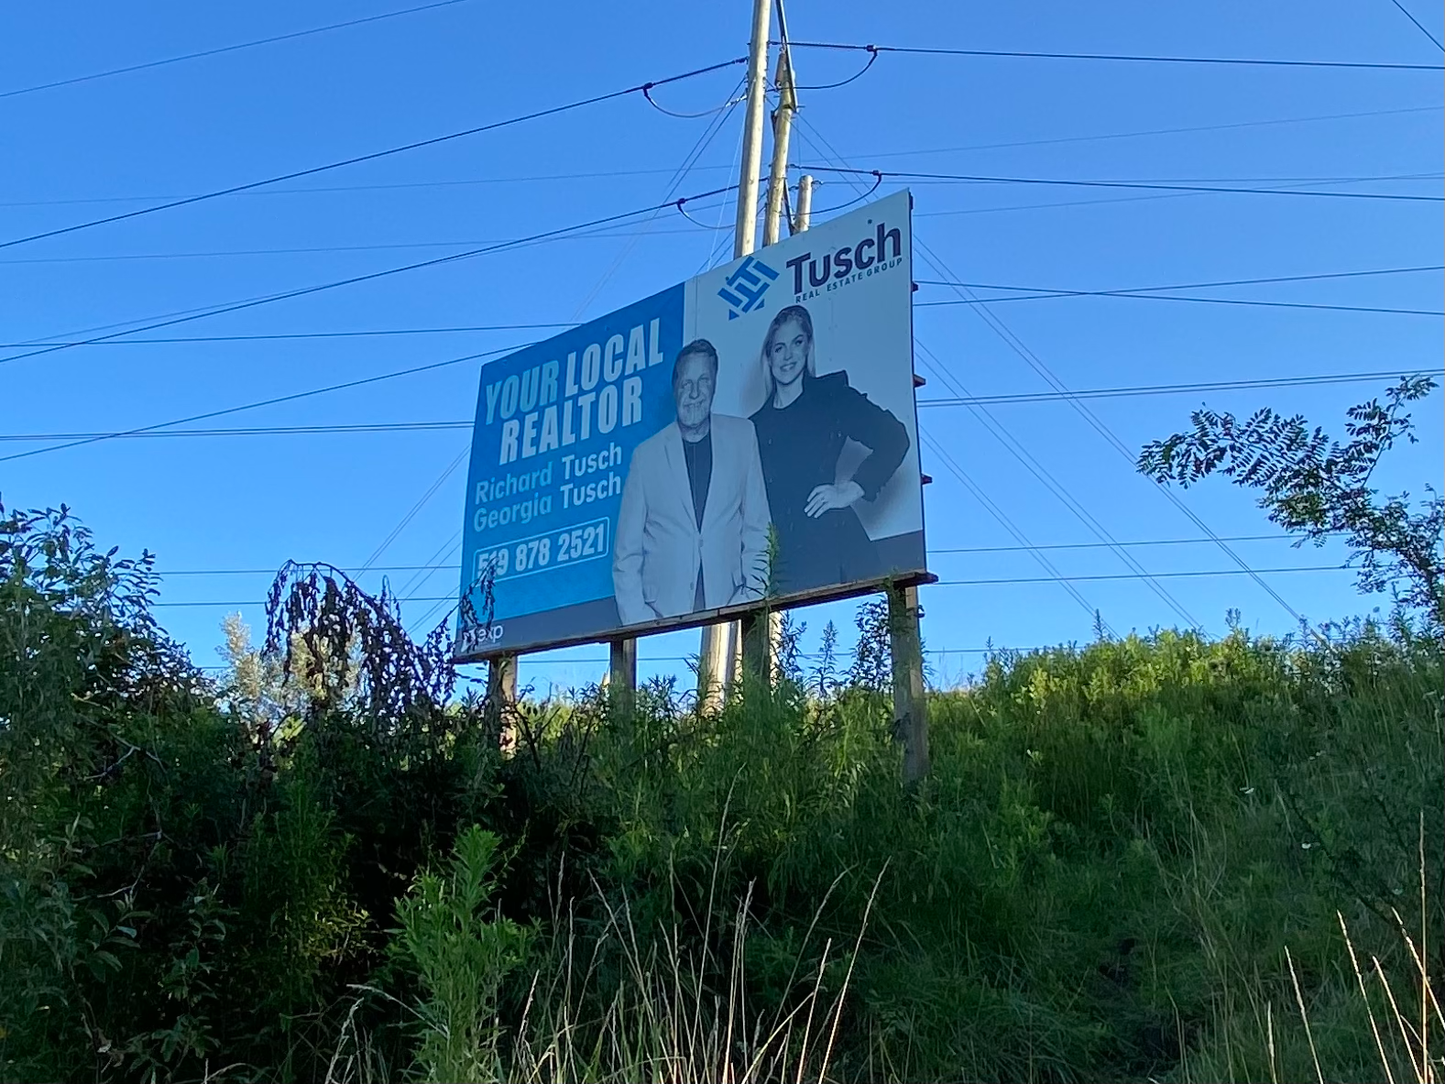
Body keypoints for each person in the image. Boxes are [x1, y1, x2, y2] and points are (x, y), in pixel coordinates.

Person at [749, 303, 910, 594]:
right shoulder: (752, 427)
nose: (788, 356)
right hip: (779, 565)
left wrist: (852, 488)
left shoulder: (831, 398)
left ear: (809, 346)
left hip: (836, 554)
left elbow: (894, 437)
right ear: (768, 357)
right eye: (778, 348)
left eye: (797, 343)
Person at [613, 339, 772, 625]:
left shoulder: (743, 436)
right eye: (686, 383)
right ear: (675, 388)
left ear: (715, 384)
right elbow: (626, 553)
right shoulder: (645, 456)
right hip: (662, 619)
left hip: (732, 607)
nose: (695, 393)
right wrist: (641, 622)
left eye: (703, 381)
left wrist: (749, 599)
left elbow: (758, 528)